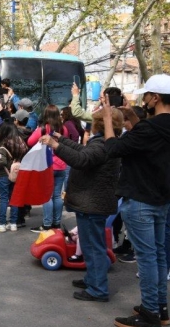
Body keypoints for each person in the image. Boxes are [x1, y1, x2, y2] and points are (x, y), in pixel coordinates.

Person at [103, 74, 170, 327]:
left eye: (147, 95)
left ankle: (150, 312)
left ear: (155, 98)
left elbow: (112, 149)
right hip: (162, 200)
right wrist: (132, 115)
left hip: (140, 200)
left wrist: (109, 120)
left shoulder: (148, 129)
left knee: (148, 259)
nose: (145, 99)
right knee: (159, 255)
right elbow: (147, 130)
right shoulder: (156, 127)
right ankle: (160, 309)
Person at [40, 108, 124, 303]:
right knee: (90, 245)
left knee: (94, 247)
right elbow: (83, 151)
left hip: (92, 204)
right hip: (92, 204)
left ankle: (98, 289)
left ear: (98, 124)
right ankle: (93, 280)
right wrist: (61, 140)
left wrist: (55, 145)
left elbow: (81, 159)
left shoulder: (102, 145)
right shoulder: (104, 143)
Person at [28, 105, 69, 232]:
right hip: (61, 165)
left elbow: (29, 142)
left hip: (47, 165)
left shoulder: (43, 129)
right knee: (57, 196)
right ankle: (56, 224)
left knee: (47, 196)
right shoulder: (63, 128)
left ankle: (46, 224)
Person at [0, 121, 27, 232]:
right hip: (16, 175)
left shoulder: (4, 145)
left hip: (4, 175)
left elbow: (1, 161)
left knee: (3, 199)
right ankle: (13, 223)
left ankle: (2, 223)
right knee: (13, 199)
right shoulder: (21, 144)